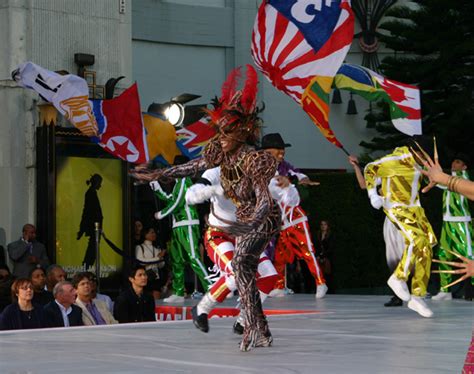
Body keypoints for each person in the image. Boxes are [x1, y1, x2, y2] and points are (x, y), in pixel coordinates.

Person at [132, 65, 279, 351]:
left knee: (266, 276)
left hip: (255, 226)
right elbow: (193, 167)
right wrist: (159, 174)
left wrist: (251, 223)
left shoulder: (254, 160)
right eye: (219, 130)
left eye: (229, 130)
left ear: (245, 130)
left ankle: (250, 323)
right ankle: (214, 312)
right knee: (239, 271)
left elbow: (264, 201)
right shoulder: (216, 157)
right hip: (221, 232)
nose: (221, 136)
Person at [185, 166, 299, 334]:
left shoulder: (257, 173)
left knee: (269, 275)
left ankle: (244, 319)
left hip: (244, 237)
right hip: (218, 235)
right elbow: (190, 196)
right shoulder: (215, 173)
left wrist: (288, 186)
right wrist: (212, 190)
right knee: (235, 273)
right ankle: (202, 308)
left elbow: (291, 201)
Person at [364, 140, 437, 318]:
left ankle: (418, 296)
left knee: (426, 247)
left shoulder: (421, 163)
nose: (427, 160)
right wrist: (373, 195)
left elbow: (433, 179)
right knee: (417, 240)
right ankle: (398, 277)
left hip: (415, 209)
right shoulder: (396, 159)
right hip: (396, 207)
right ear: (416, 152)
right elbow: (369, 168)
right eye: (424, 156)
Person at [261, 133, 328, 299]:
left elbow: (299, 174)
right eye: (278, 150)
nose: (281, 153)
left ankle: (321, 283)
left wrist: (304, 179)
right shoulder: (260, 170)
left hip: (295, 218)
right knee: (279, 256)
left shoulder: (285, 167)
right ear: (267, 152)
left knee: (307, 252)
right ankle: (278, 286)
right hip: (280, 223)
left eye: (283, 150)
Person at [150, 155, 210, 303]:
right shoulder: (178, 182)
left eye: (176, 167)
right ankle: (178, 291)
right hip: (178, 225)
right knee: (176, 260)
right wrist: (156, 187)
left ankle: (212, 288)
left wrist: (162, 214)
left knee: (194, 257)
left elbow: (177, 202)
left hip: (188, 224)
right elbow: (171, 198)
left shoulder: (185, 180)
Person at [348, 155, 405, 307]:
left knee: (411, 255)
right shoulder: (383, 176)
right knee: (393, 258)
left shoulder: (406, 174)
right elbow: (363, 184)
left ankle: (419, 291)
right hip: (391, 221)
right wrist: (356, 167)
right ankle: (397, 295)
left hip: (407, 219)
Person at [431, 154, 473, 301]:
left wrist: (439, 176)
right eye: (453, 162)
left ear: (465, 167)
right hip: (447, 223)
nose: (454, 164)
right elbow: (439, 181)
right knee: (443, 255)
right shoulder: (449, 178)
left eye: (458, 162)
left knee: (469, 257)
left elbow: (446, 181)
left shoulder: (463, 178)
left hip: (462, 223)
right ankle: (445, 290)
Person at [77, 174, 103, 270]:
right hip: (93, 226)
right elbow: (87, 211)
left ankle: (87, 267)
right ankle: (86, 267)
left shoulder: (91, 193)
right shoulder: (90, 193)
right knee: (92, 248)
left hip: (95, 226)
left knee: (93, 248)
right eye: (99, 183)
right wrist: (82, 228)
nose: (100, 186)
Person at [135, 226, 166, 300]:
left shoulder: (156, 249)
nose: (154, 234)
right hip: (145, 276)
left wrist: (161, 258)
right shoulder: (140, 247)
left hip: (156, 277)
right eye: (151, 232)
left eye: (154, 232)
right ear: (145, 234)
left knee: (156, 300)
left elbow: (161, 265)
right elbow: (141, 261)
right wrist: (158, 258)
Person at [315, 220, 335, 293]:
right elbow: (316, 247)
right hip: (319, 258)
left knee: (328, 275)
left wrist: (323, 256)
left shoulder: (331, 235)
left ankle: (330, 291)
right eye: (322, 224)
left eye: (325, 224)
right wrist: (318, 256)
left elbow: (331, 248)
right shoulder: (318, 235)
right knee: (319, 274)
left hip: (328, 258)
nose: (323, 226)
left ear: (328, 226)